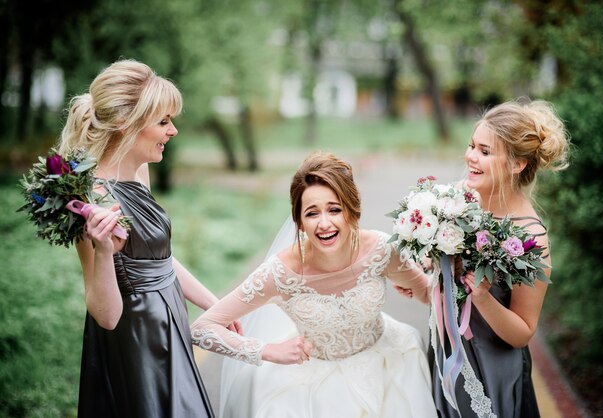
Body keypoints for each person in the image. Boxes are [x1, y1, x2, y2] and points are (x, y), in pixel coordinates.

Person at [190, 151, 439, 418]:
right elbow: (202, 328)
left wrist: (444, 266)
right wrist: (268, 351)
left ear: (352, 210)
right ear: (299, 222)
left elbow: (428, 294)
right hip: (312, 385)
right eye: (311, 213)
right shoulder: (281, 272)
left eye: (334, 209)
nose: (324, 223)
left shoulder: (380, 249)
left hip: (390, 367)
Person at [58, 59, 238, 418]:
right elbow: (105, 316)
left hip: (170, 323)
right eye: (163, 121)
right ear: (127, 123)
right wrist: (105, 251)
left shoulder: (140, 175)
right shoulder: (86, 199)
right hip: (134, 344)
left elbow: (159, 260)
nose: (173, 131)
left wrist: (216, 305)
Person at [419, 98, 570, 417]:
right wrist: (428, 271)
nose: (471, 157)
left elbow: (523, 332)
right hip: (447, 356)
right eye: (472, 146)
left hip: (493, 372)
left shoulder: (530, 238)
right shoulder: (457, 199)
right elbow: (448, 284)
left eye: (485, 152)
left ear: (517, 164)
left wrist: (485, 299)